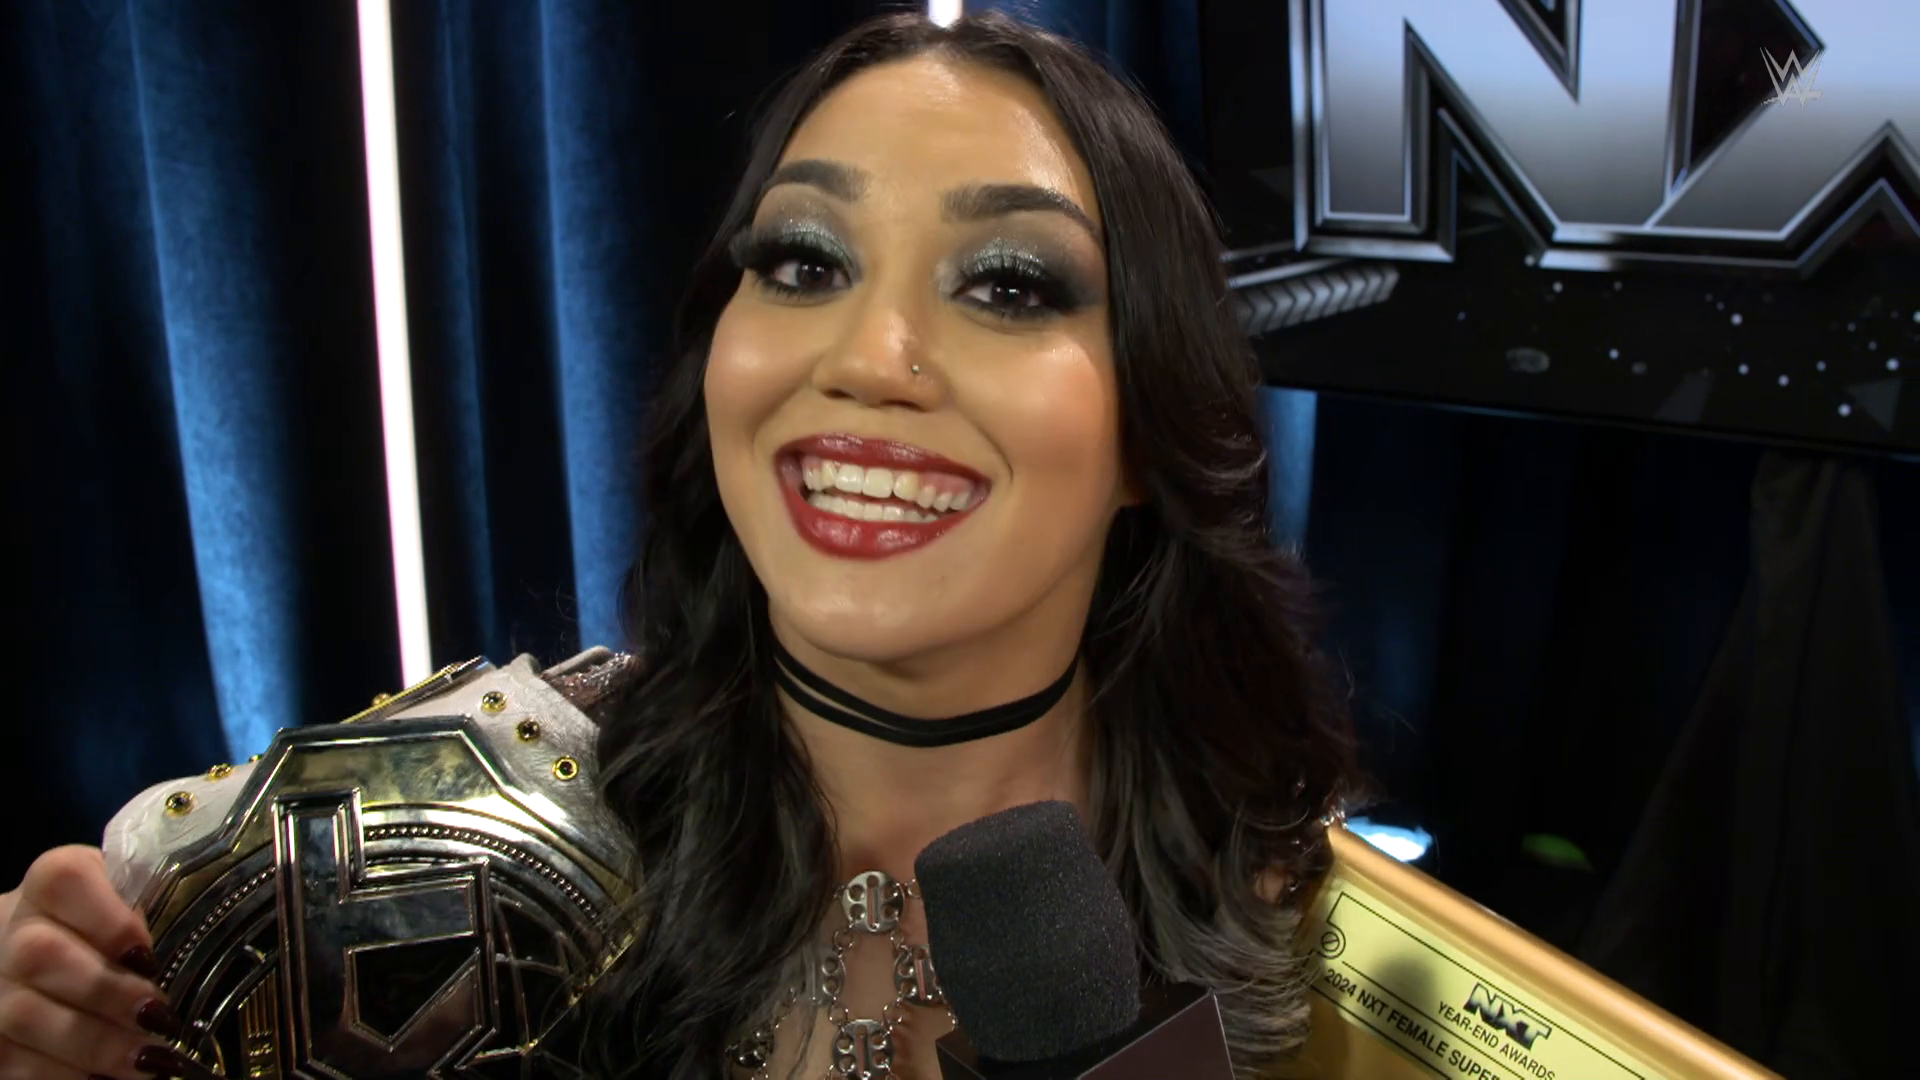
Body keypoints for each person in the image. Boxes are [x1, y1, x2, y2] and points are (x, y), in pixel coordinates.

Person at [0, 11, 1361, 1080]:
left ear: (1150, 425)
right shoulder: (422, 857)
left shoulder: (1313, 908)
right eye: (805, 263)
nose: (866, 359)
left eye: (1008, 283)